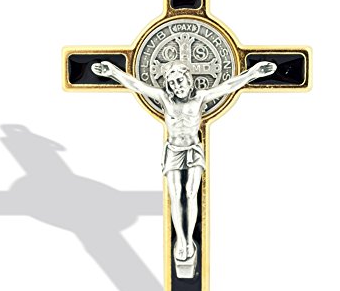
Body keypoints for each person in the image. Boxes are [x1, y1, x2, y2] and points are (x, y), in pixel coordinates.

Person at [91, 59, 277, 263]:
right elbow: (137, 85)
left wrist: (253, 73)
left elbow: (228, 86)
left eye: (179, 81)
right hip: (173, 150)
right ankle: (181, 240)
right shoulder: (165, 98)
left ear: (188, 80)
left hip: (193, 150)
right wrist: (112, 72)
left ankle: (189, 240)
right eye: (171, 83)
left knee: (190, 193)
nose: (176, 86)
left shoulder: (200, 98)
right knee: (175, 195)